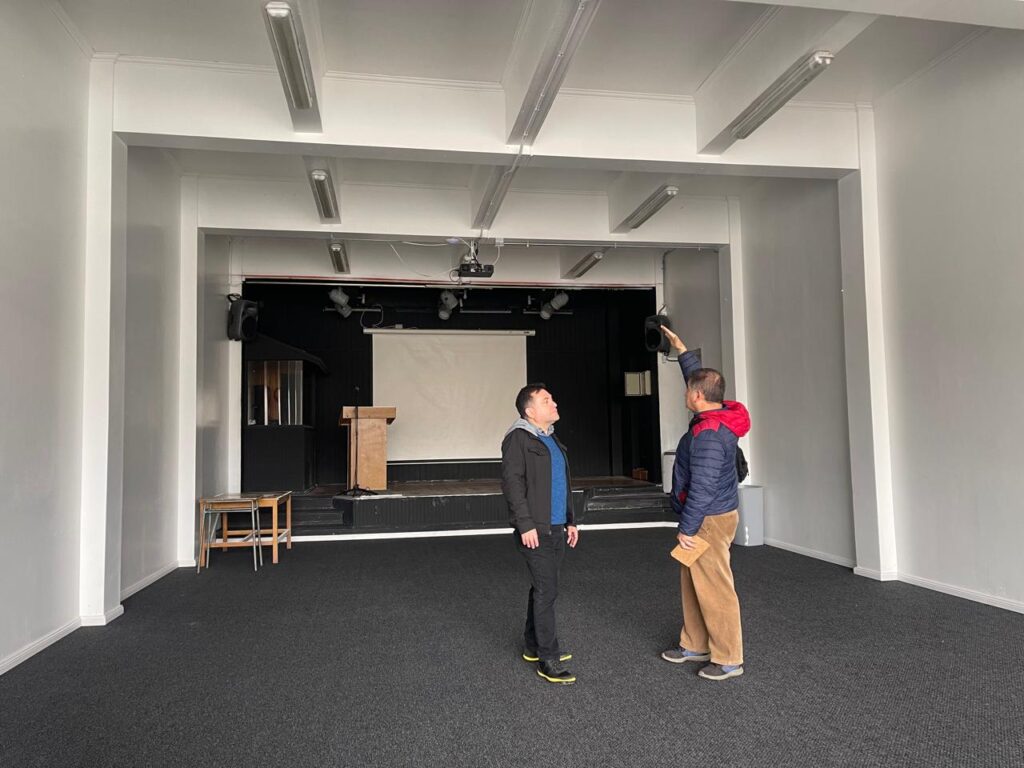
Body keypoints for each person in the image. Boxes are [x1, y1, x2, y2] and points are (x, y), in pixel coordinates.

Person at [659, 326, 751, 681]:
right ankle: (695, 644)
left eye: (688, 389)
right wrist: (683, 352)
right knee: (693, 581)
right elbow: (700, 381)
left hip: (709, 517)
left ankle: (728, 657)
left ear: (697, 397)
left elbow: (703, 486)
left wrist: (687, 528)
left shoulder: (710, 436)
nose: (685, 392)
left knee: (715, 588)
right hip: (709, 514)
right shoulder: (718, 411)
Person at [501, 383, 579, 685]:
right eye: (547, 400)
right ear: (530, 411)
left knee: (543, 586)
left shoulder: (551, 439)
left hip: (556, 527)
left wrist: (571, 520)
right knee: (548, 590)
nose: (554, 403)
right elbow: (513, 485)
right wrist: (525, 524)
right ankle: (549, 657)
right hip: (535, 529)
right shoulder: (517, 439)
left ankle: (532, 646)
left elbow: (562, 483)